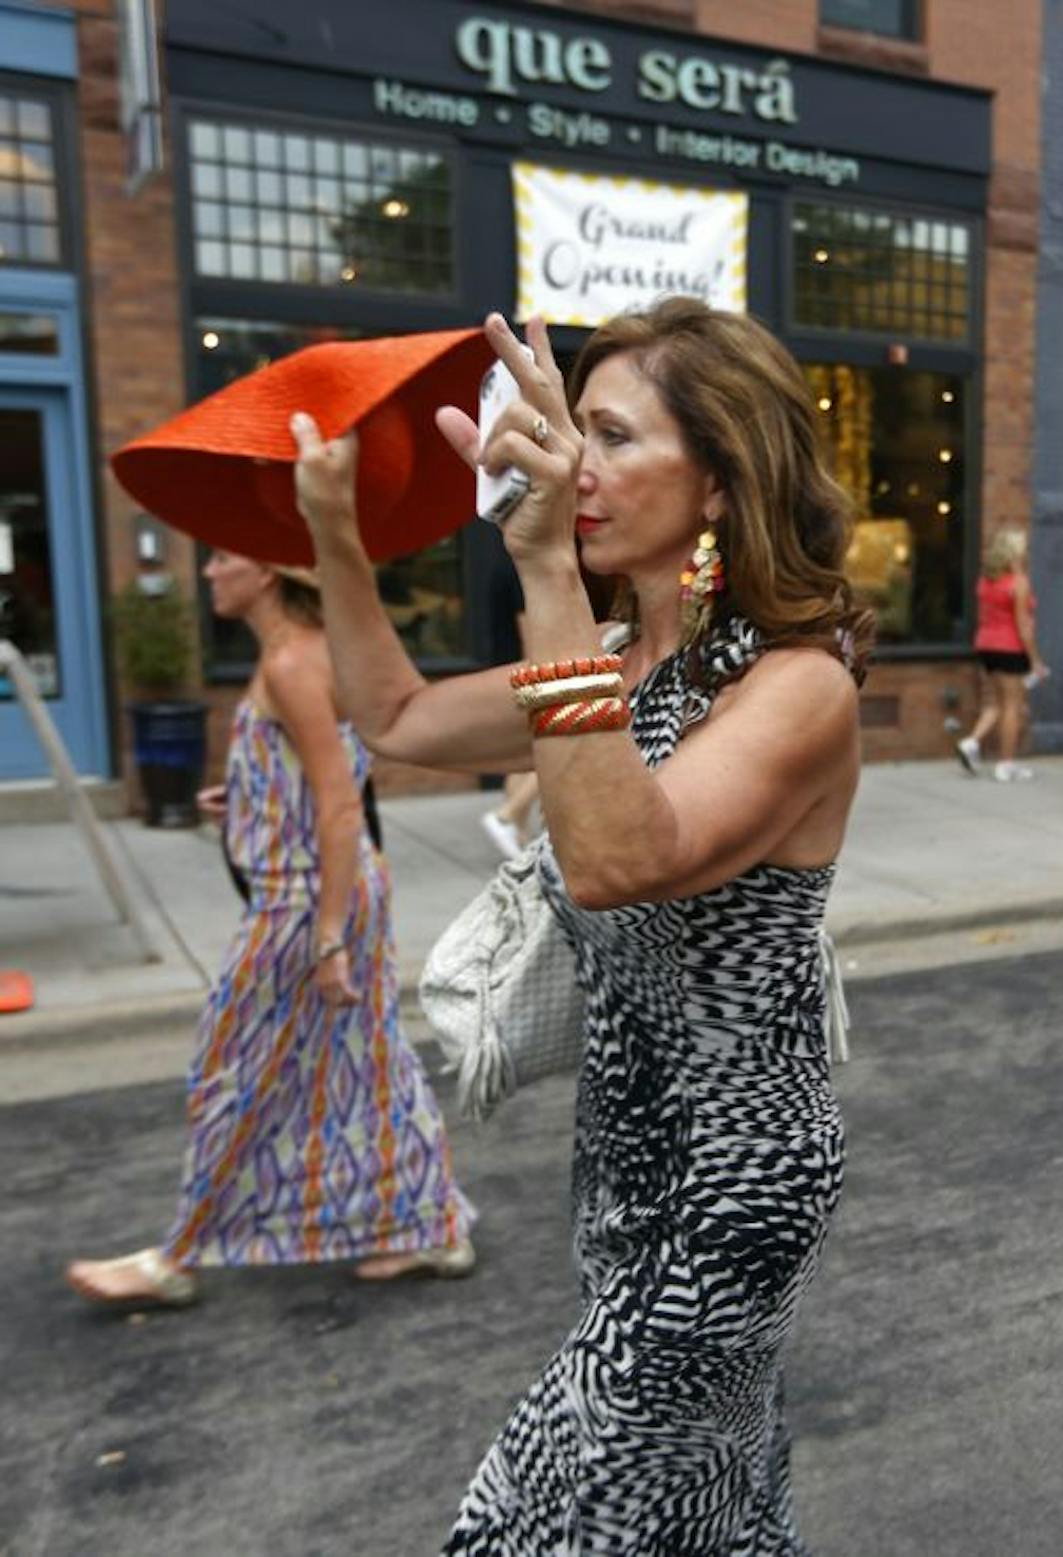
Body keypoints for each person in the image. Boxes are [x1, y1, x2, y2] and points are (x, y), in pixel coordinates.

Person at [290, 299, 870, 1553]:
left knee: (541, 1517)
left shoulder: (798, 685)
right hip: (622, 1162)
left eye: (607, 436)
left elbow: (619, 859)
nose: (574, 468)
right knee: (706, 1516)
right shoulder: (608, 661)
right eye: (566, 434)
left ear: (720, 480)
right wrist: (335, 536)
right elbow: (392, 717)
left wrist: (546, 567)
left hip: (739, 1178)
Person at [66, 551, 473, 1309]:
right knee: (366, 1058)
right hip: (334, 889)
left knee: (233, 1067)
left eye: (223, 556)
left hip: (305, 900)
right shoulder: (312, 653)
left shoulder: (290, 660)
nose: (210, 571)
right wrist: (253, 792)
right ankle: (435, 1225)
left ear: (265, 570)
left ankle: (176, 1257)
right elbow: (325, 773)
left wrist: (324, 937)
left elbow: (341, 803)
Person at [471, 519, 542, 857]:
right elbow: (531, 637)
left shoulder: (499, 567)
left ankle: (516, 829)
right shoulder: (519, 571)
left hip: (508, 670)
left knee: (526, 757)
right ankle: (508, 815)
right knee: (557, 753)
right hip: (528, 673)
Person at [957, 526, 1047, 782]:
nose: (1026, 553)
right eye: (1023, 549)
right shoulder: (1019, 583)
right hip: (1011, 648)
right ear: (1014, 553)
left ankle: (971, 742)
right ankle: (1006, 764)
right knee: (1012, 707)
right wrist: (1035, 660)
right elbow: (1023, 626)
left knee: (995, 703)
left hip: (986, 646)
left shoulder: (986, 581)